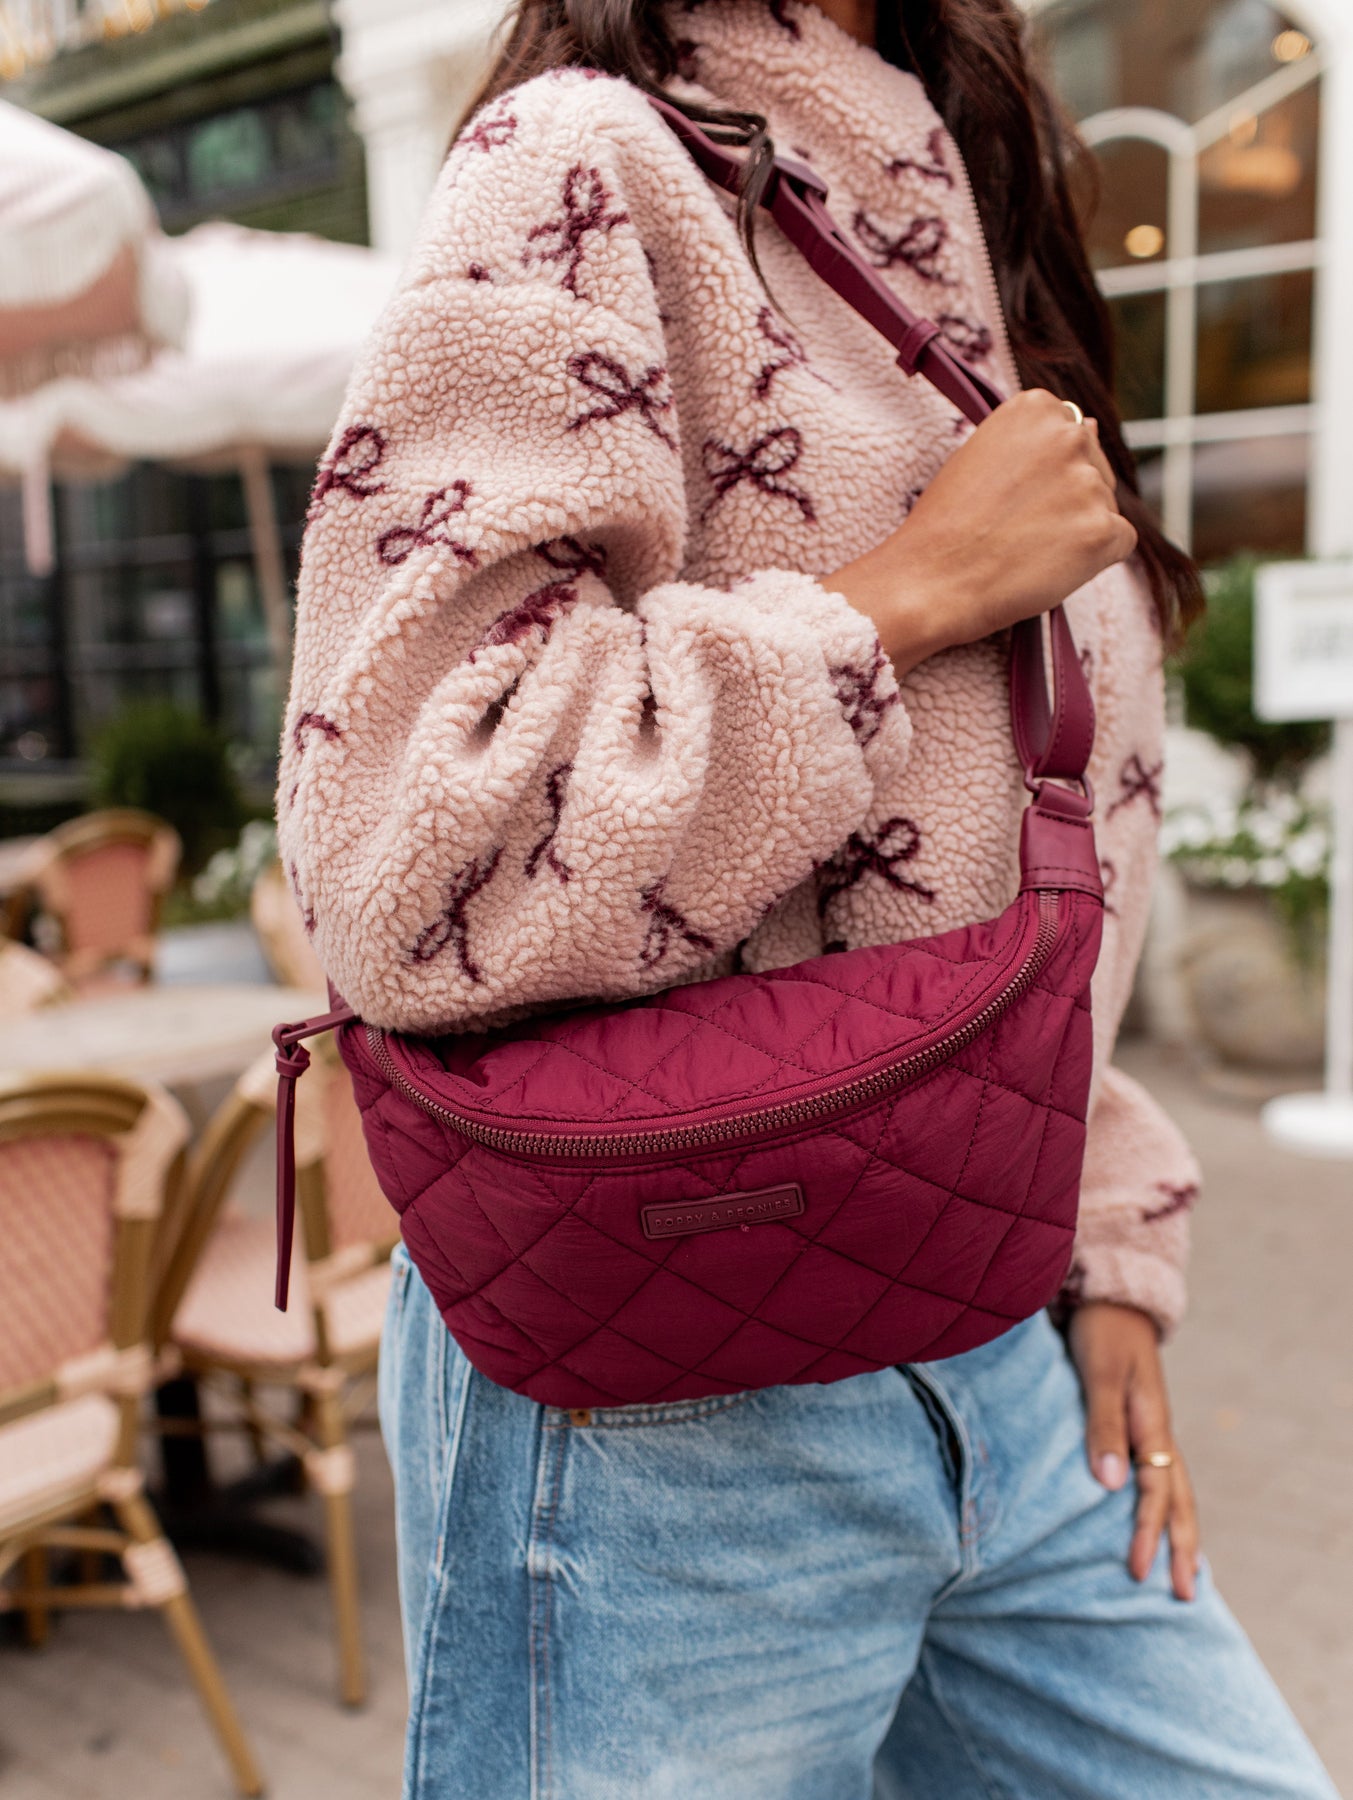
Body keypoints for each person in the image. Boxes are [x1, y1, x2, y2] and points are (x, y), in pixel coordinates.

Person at [279, 2, 1341, 1794]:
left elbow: (1024, 850)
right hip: (661, 1399)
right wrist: (897, 599)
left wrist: (1102, 1236)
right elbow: (404, 868)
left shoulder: (952, 197)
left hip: (996, 1338)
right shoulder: (581, 165)